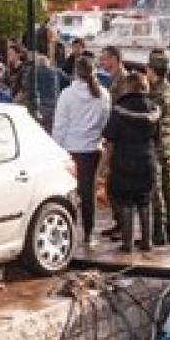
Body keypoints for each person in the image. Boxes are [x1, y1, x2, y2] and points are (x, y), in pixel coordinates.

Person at [52, 56, 111, 247]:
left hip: (70, 148)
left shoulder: (67, 95)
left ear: (76, 73)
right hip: (92, 149)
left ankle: (68, 231)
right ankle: (88, 232)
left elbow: (60, 125)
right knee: (88, 193)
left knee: (67, 191)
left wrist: (56, 148)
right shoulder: (103, 94)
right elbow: (104, 122)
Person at [100, 72, 160, 253]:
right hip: (147, 160)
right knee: (144, 200)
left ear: (128, 86)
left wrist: (105, 166)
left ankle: (127, 243)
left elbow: (110, 141)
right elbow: (156, 138)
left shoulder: (119, 109)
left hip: (124, 160)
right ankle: (146, 242)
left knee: (125, 201)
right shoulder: (153, 109)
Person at [97, 46, 138, 240]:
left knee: (118, 185)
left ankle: (124, 226)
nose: (102, 63)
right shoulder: (115, 80)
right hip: (116, 136)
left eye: (104, 59)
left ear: (114, 59)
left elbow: (122, 111)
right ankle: (119, 222)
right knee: (112, 185)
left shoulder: (123, 81)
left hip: (121, 140)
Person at [147, 52, 170, 246]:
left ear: (154, 71)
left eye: (148, 69)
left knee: (156, 189)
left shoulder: (156, 93)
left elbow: (151, 119)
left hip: (156, 145)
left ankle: (158, 230)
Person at [17, 27, 68, 132]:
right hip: (53, 111)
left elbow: (24, 91)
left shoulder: (32, 67)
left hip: (39, 111)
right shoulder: (53, 67)